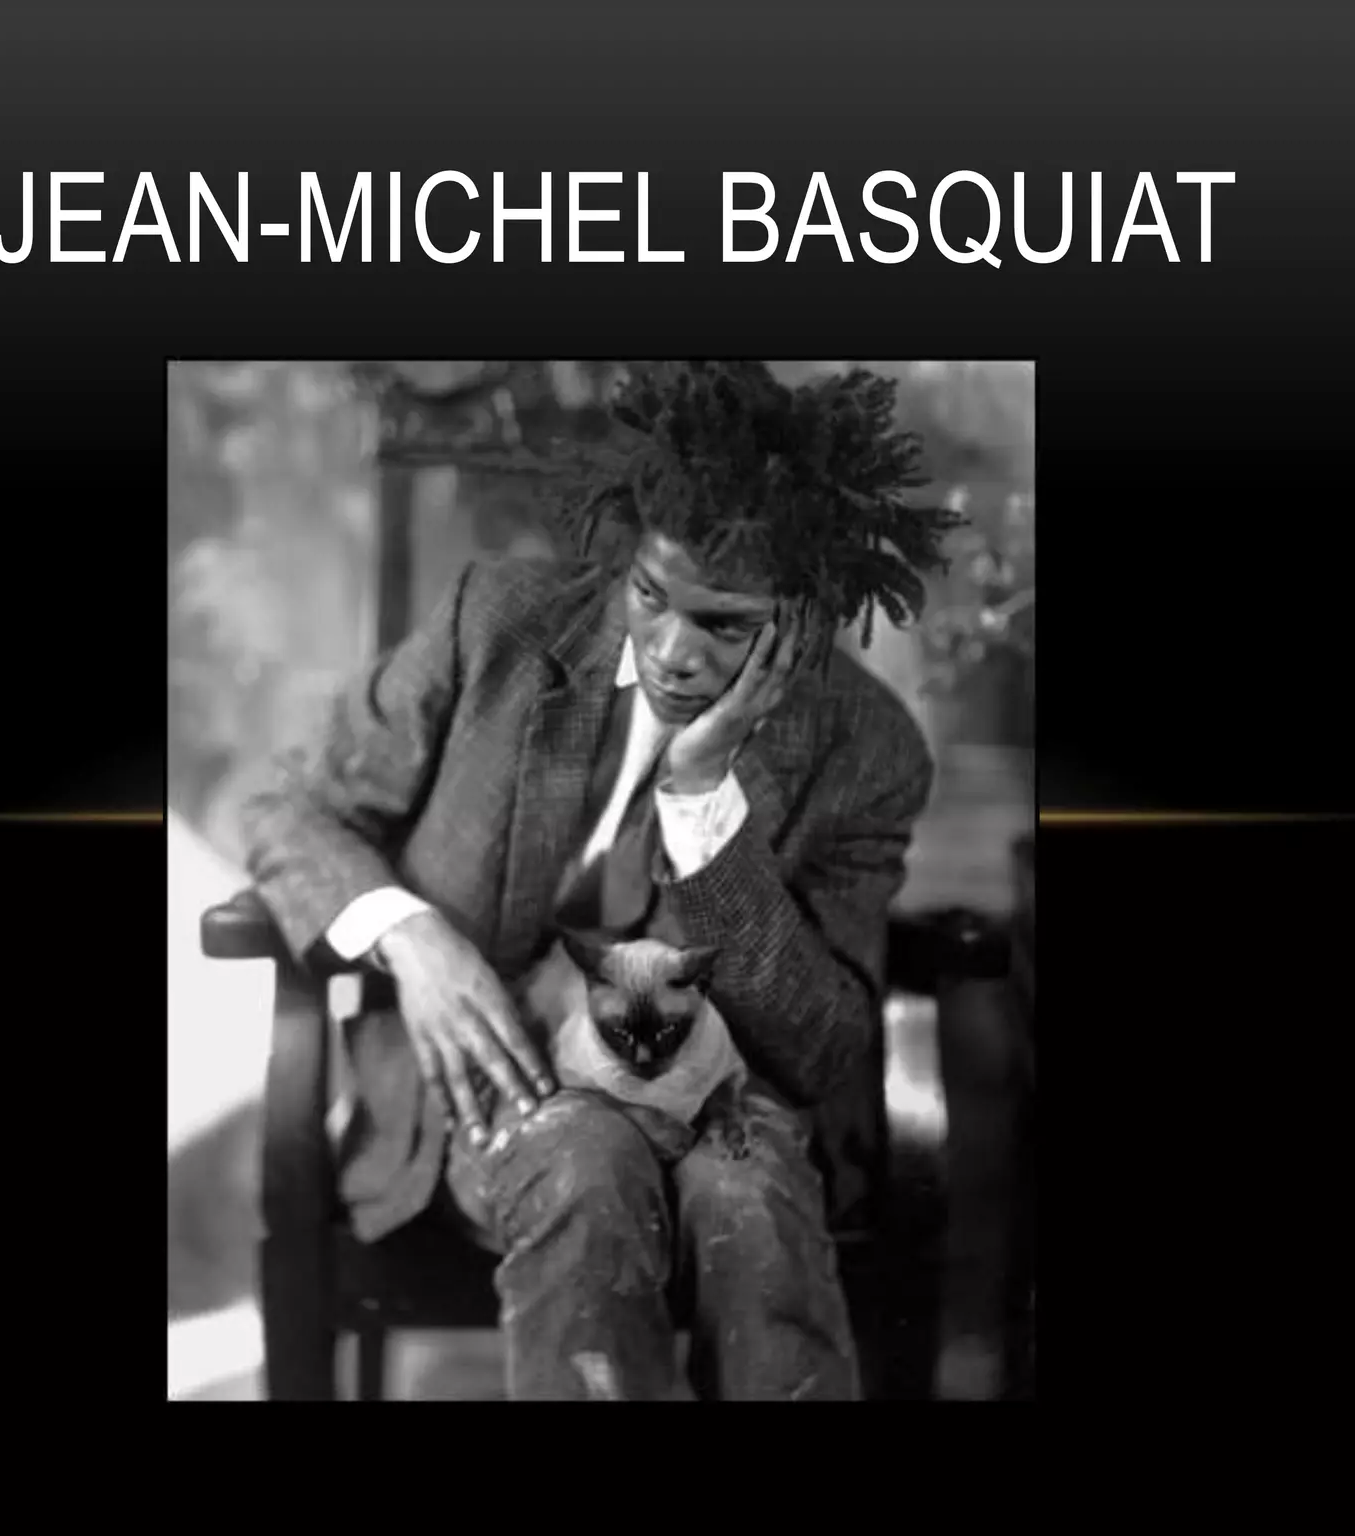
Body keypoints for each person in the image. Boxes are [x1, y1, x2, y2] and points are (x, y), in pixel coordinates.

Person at [238, 361, 959, 1400]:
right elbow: (292, 808)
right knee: (584, 1159)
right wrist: (411, 936)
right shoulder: (494, 624)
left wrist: (703, 805)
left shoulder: (866, 748)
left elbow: (821, 1048)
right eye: (650, 596)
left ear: (801, 618)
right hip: (499, 1086)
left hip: (727, 1097)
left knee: (747, 1197)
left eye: (722, 625)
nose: (670, 651)